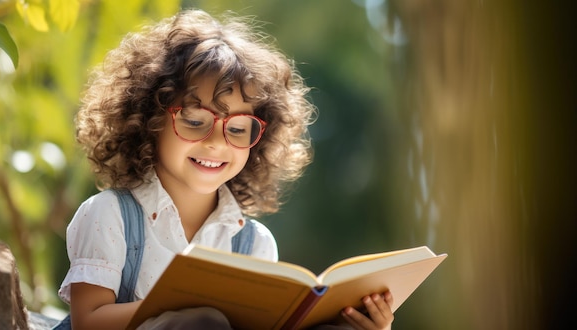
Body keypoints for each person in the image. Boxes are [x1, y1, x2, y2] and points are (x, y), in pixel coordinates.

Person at [57, 9, 394, 330]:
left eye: (237, 129)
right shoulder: (109, 214)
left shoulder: (254, 243)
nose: (217, 142)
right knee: (201, 322)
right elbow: (89, 321)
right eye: (194, 121)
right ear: (150, 120)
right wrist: (182, 304)